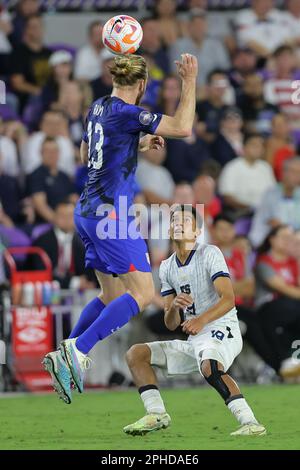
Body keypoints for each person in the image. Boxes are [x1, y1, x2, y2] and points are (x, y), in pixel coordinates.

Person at [43, 53, 198, 405]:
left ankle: (65, 358)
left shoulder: (98, 106)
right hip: (113, 215)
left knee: (112, 296)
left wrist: (138, 143)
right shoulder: (130, 113)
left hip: (87, 211)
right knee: (143, 294)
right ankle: (77, 351)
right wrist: (189, 81)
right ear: (142, 85)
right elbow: (183, 128)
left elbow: (88, 153)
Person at [124, 205, 265, 436]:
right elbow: (171, 323)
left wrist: (200, 320)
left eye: (185, 221)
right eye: (174, 221)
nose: (178, 224)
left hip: (222, 328)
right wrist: (174, 308)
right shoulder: (167, 267)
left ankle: (250, 422)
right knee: (136, 354)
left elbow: (229, 299)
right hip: (196, 338)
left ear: (197, 232)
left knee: (210, 366)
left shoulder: (210, 253)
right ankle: (157, 413)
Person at [255, 225, 300, 377]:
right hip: (268, 308)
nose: (289, 241)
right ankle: (288, 359)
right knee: (292, 307)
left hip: (292, 308)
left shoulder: (294, 262)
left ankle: (294, 359)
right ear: (272, 240)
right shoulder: (265, 262)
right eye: (284, 237)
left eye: (291, 238)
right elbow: (282, 288)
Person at [218, 133, 275, 220]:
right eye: (254, 145)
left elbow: (273, 192)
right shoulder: (232, 167)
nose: (258, 149)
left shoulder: (266, 168)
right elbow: (227, 197)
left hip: (266, 212)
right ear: (244, 147)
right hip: (241, 212)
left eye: (261, 146)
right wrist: (251, 207)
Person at [249, 157, 300, 247]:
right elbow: (268, 220)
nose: (297, 175)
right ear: (284, 173)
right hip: (270, 239)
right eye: (293, 171)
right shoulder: (271, 193)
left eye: (298, 172)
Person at [27, 136, 77, 223]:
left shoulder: (64, 176)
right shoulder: (36, 175)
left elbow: (74, 199)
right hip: (46, 224)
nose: (51, 154)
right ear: (41, 153)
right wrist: (59, 222)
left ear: (59, 153)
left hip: (67, 221)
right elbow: (41, 206)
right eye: (48, 151)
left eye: (54, 151)